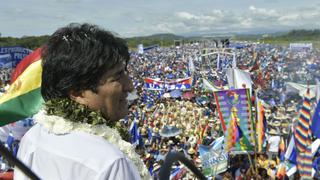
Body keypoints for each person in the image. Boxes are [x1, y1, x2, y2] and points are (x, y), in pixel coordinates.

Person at [14, 23, 150, 180]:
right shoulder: (111, 162)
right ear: (77, 92)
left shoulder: (32, 137)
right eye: (117, 76)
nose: (130, 86)